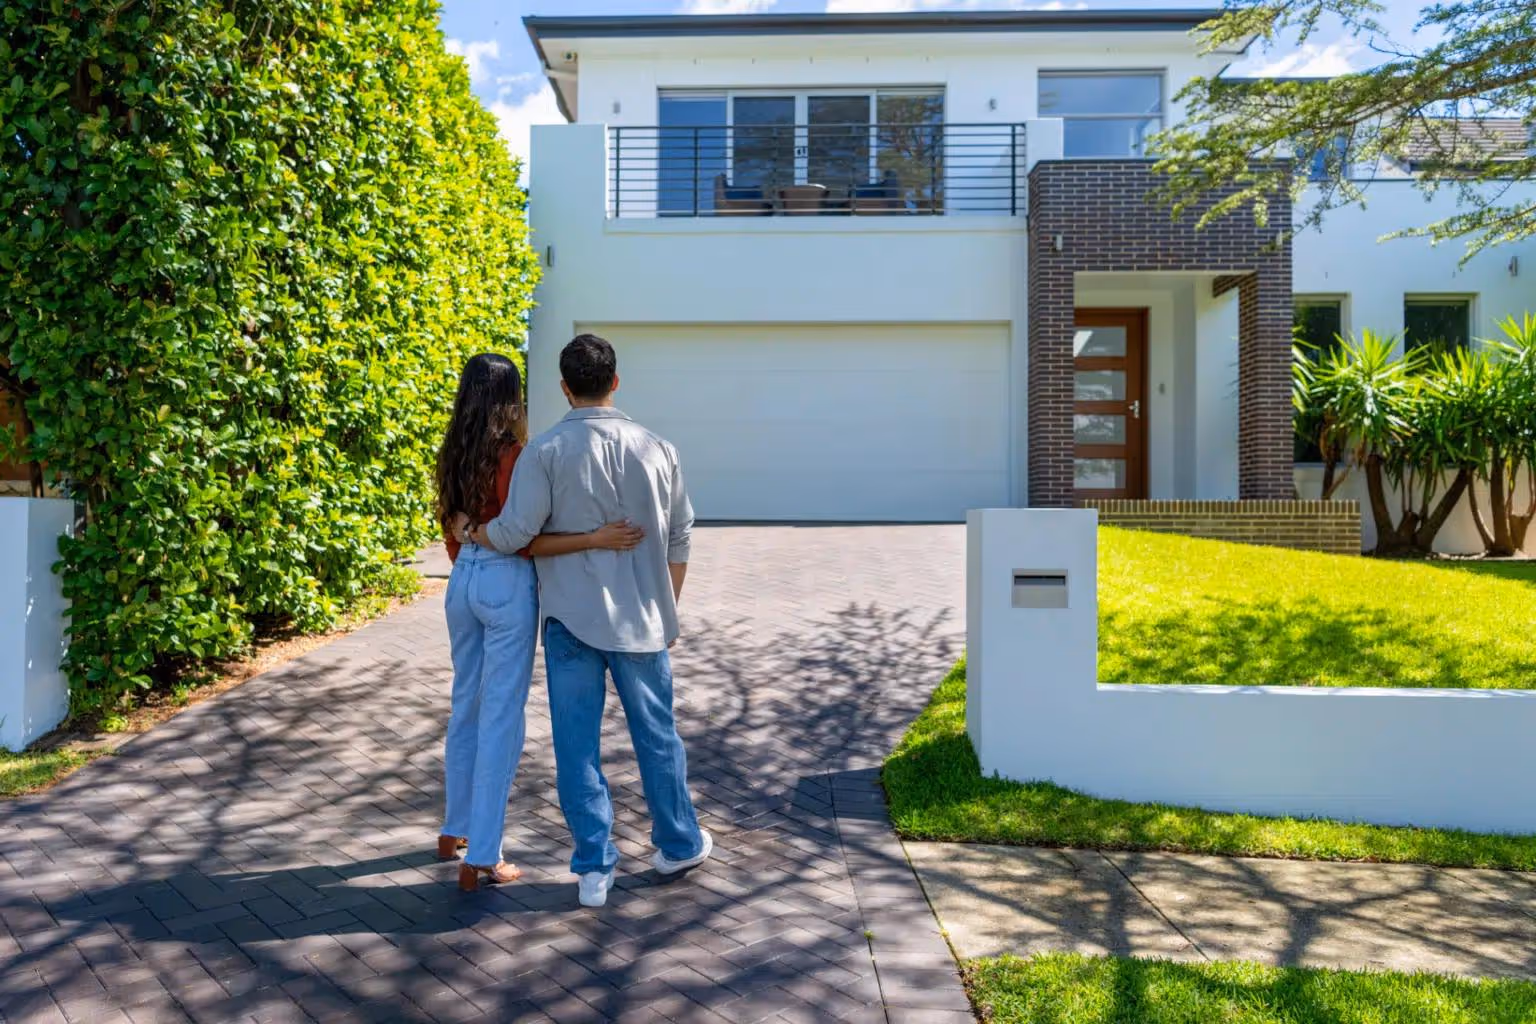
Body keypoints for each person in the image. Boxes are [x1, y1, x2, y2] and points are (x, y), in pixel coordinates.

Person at [468, 334, 711, 908]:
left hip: (571, 623)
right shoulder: (659, 448)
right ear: (615, 381)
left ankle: (593, 869)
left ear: (563, 386)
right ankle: (679, 843)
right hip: (643, 623)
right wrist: (666, 606)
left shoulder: (545, 452)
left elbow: (513, 534)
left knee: (577, 749)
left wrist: (472, 533)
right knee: (658, 738)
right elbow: (679, 537)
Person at [434, 352, 643, 893]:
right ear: (512, 397)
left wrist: (470, 545)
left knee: (466, 704)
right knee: (502, 716)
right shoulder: (516, 455)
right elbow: (522, 535)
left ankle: (454, 828)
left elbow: (452, 526)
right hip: (505, 582)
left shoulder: (451, 448)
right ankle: (483, 855)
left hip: (462, 583)